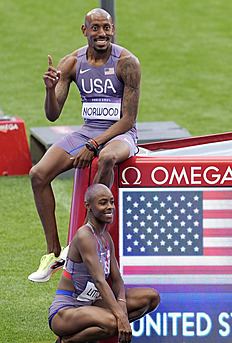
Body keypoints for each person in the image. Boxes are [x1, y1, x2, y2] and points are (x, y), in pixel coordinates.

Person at [29, 8, 141, 283]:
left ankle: (81, 238)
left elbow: (128, 120)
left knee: (106, 158)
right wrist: (49, 89)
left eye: (106, 28)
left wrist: (94, 145)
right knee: (38, 174)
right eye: (95, 28)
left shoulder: (127, 63)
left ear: (113, 29)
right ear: (85, 30)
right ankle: (55, 252)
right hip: (87, 131)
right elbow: (52, 114)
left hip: (119, 135)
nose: (101, 34)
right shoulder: (71, 63)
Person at [49, 184, 160, 343]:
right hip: (66, 311)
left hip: (90, 305)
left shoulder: (105, 238)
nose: (110, 206)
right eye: (103, 203)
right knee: (113, 323)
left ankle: (89, 341)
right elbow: (100, 280)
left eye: (111, 202)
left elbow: (117, 280)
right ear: (88, 206)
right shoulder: (84, 235)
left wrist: (122, 305)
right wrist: (121, 317)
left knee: (150, 298)